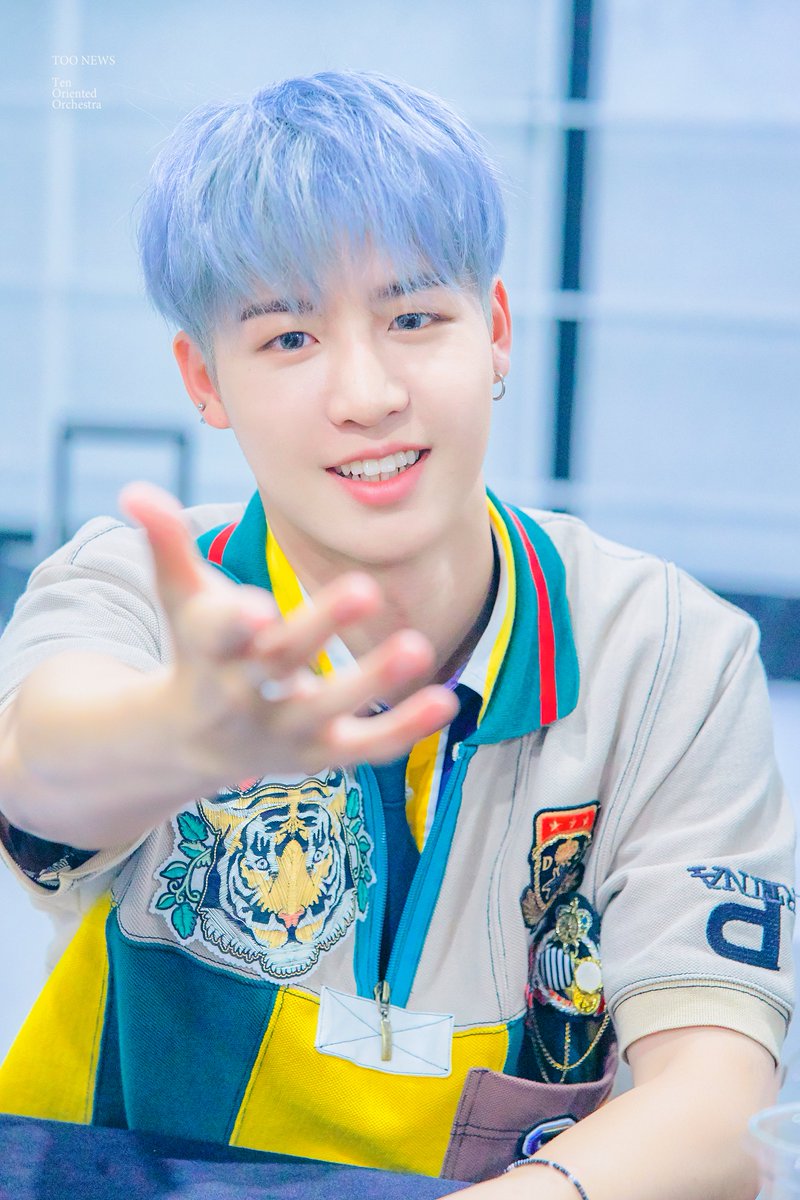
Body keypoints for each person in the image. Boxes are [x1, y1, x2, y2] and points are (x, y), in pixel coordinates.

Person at [0, 70, 793, 1200]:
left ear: (496, 331)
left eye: (413, 318)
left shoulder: (669, 657)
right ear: (204, 380)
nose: (366, 394)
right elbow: (37, 767)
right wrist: (170, 737)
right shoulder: (136, 589)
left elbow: (718, 1115)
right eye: (287, 337)